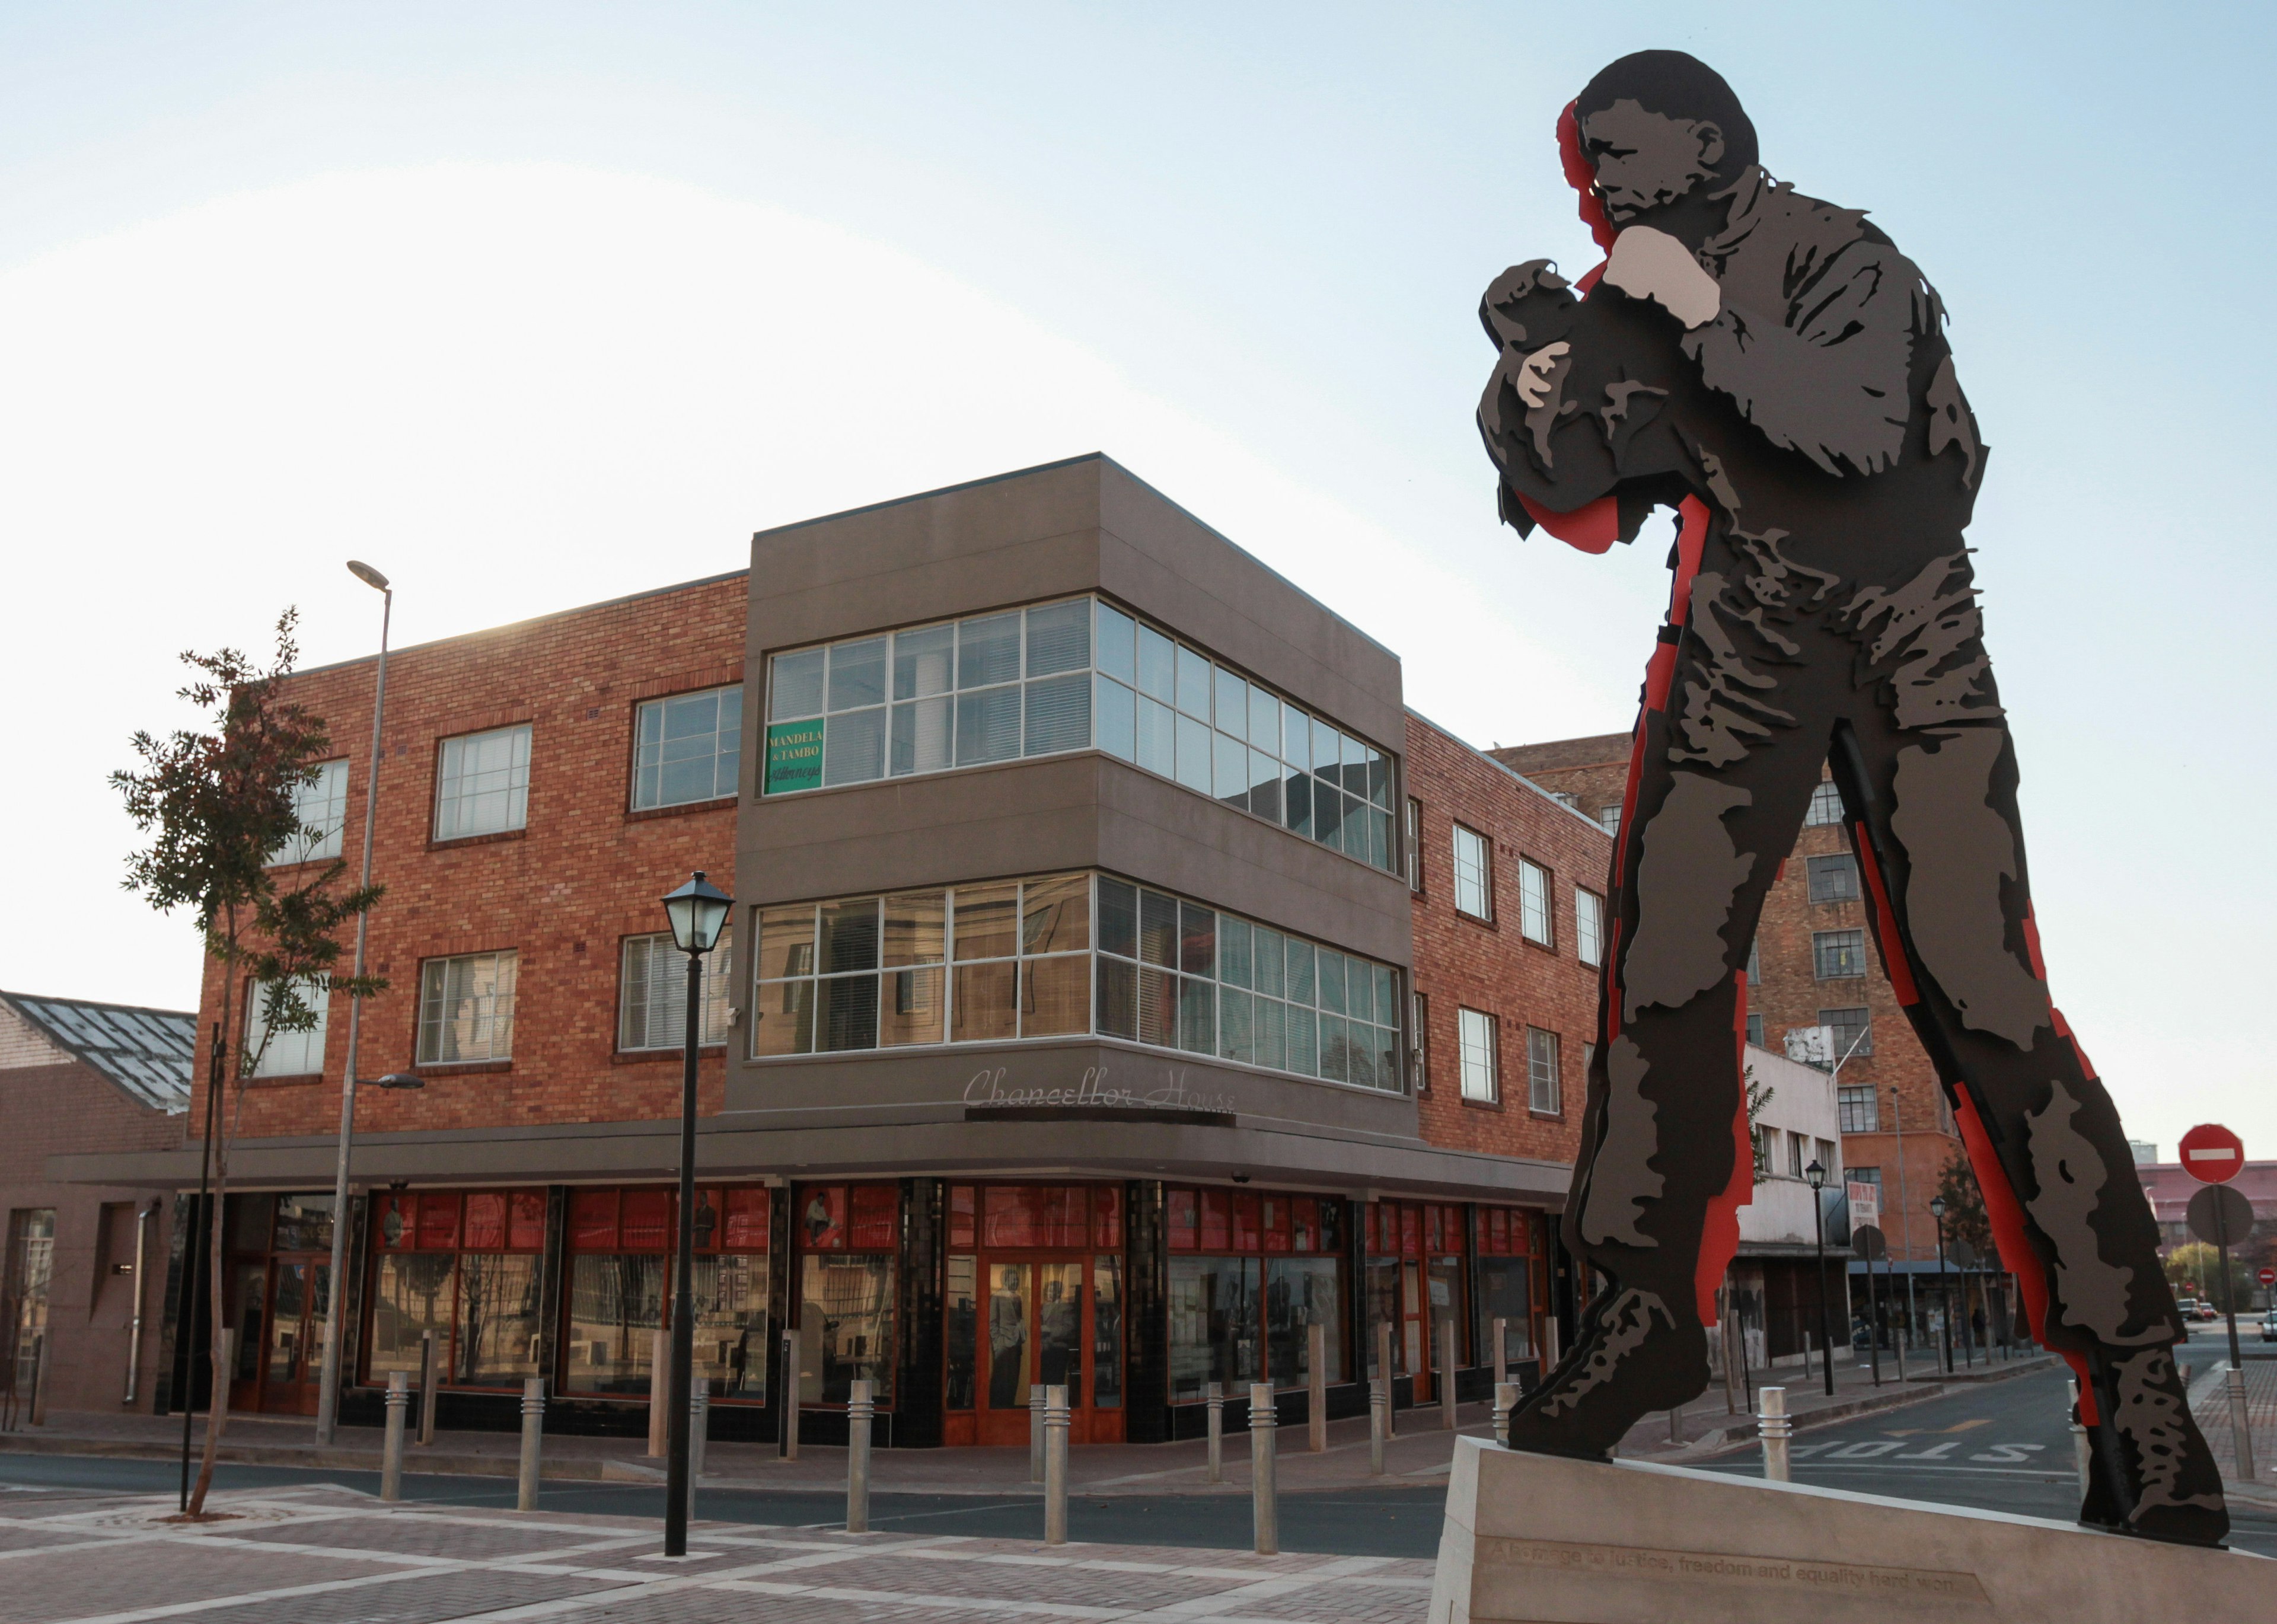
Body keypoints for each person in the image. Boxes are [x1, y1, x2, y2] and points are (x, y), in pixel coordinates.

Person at [1476, 49, 2225, 1546]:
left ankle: (2138, 1392)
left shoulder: (1845, 256)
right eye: (1588, 166)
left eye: (1618, 158)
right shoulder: (1633, 287)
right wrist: (1530, 384)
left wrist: (1689, 311)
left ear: (1709, 145)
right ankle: (1644, 1319)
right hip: (1744, 630)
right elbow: (1577, 491)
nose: (1596, 187)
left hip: (1910, 635)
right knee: (1664, 967)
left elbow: (1858, 437)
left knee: (1985, 997)